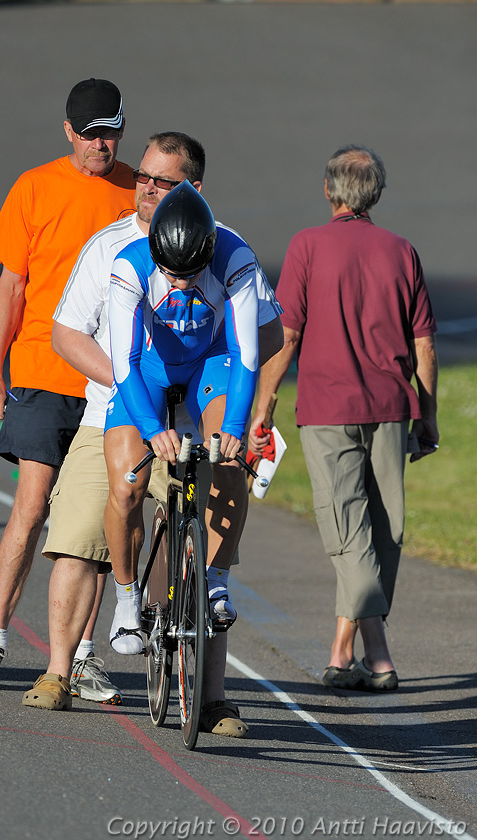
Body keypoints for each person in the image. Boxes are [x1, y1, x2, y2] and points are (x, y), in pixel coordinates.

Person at [22, 133, 283, 735]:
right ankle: (124, 606)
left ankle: (212, 591)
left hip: (208, 373)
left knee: (225, 465)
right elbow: (121, 359)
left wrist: (235, 434)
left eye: (163, 180)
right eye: (144, 176)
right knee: (124, 489)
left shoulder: (234, 256)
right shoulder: (125, 259)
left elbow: (248, 356)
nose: (146, 186)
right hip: (142, 375)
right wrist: (149, 428)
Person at [0, 78, 137, 699]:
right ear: (68, 131)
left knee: (97, 520)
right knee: (32, 508)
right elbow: (11, 286)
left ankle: (81, 654)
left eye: (109, 133)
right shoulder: (34, 187)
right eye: (89, 135)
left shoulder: (139, 192)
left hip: (109, 382)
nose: (100, 146)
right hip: (40, 370)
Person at [249, 145, 439, 692]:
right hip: (390, 408)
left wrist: (262, 408)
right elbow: (423, 346)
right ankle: (344, 652)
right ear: (374, 194)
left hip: (329, 411)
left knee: (348, 531)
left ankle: (373, 654)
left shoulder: (307, 246)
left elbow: (286, 336)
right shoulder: (402, 251)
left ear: (328, 190)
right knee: (382, 533)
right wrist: (427, 418)